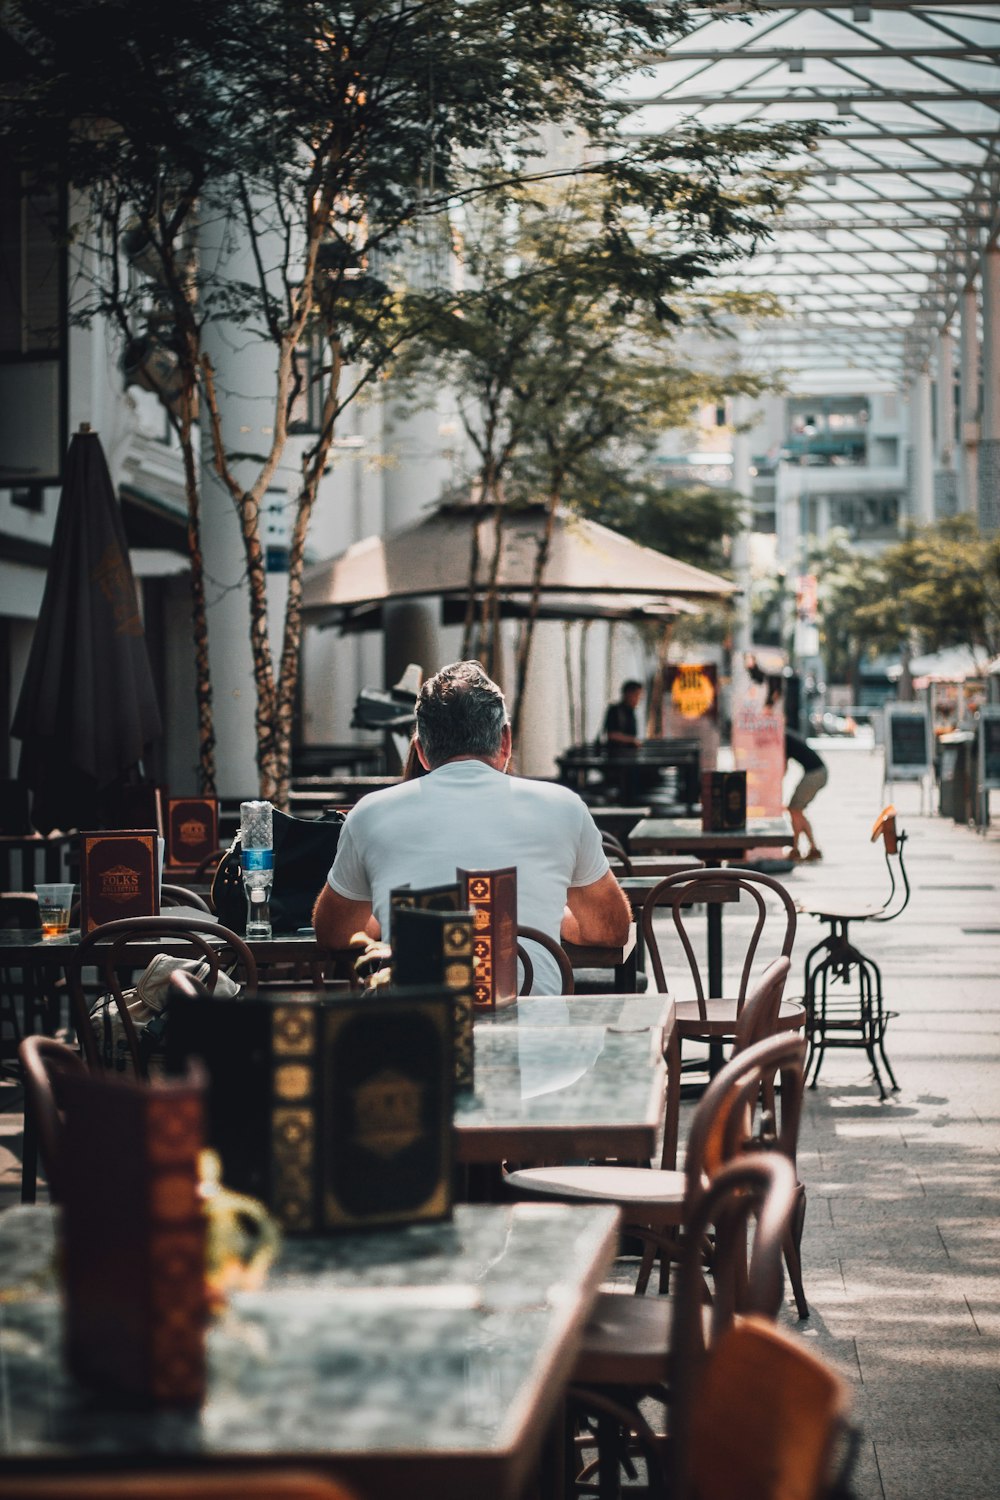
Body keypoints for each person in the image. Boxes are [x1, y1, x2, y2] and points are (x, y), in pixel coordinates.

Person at [313, 660, 631, 993]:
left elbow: (335, 934)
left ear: (420, 751)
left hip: (419, 1036)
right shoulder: (564, 807)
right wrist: (542, 916)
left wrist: (402, 919)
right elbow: (609, 929)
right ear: (505, 741)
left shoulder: (369, 814)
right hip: (539, 1037)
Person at [785, 728, 828, 862]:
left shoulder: (783, 738)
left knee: (794, 809)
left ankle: (797, 849)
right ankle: (812, 848)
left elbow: (783, 767)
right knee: (796, 810)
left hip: (815, 774)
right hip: (818, 772)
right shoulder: (787, 734)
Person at [603, 680, 643, 749]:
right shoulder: (614, 710)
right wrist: (632, 740)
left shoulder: (631, 712)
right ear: (628, 694)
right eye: (636, 695)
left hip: (629, 755)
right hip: (615, 755)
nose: (639, 699)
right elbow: (611, 735)